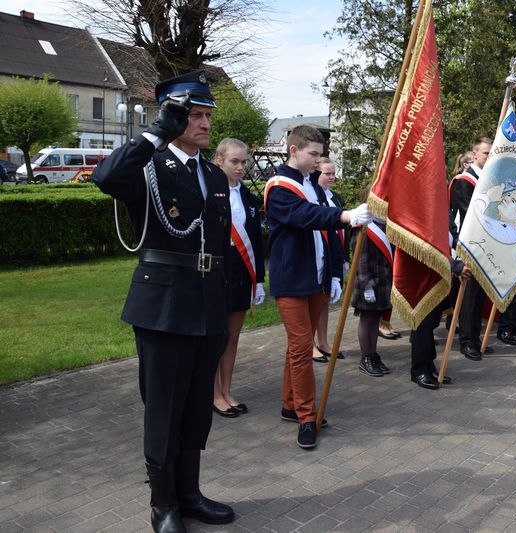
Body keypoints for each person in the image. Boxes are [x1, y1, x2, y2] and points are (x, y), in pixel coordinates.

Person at [92, 70, 235, 532]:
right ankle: (163, 504)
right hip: (164, 305)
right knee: (164, 406)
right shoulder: (148, 167)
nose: (205, 123)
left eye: (208, 115)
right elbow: (106, 177)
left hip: (209, 301)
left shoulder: (213, 173)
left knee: (196, 406)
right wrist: (154, 132)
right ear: (172, 117)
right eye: (194, 115)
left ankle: (190, 494)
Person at [265, 125, 372, 450]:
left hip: (316, 276)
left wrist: (335, 273)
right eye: (312, 154)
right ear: (293, 151)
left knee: (296, 347)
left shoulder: (312, 185)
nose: (317, 159)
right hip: (293, 279)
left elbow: (325, 231)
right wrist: (344, 215)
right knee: (301, 347)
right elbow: (304, 216)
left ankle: (289, 402)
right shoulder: (279, 186)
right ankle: (307, 416)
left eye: (320, 154)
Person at [211, 138, 265, 418]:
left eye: (244, 162)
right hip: (216, 270)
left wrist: (260, 279)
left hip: (242, 269)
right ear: (219, 160)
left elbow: (255, 239)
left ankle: (227, 391)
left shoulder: (247, 196)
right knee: (216, 337)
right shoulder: (207, 190)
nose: (241, 167)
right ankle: (213, 394)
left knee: (232, 337)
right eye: (235, 161)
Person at [450, 137, 494, 361]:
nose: (489, 157)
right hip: (469, 246)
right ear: (475, 154)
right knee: (468, 297)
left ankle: (475, 338)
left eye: (490, 153)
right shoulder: (465, 181)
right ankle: (466, 341)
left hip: (486, 245)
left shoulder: (489, 179)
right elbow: (471, 215)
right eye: (486, 153)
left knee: (479, 297)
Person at [312, 157, 347, 363]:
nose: (332, 177)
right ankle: (310, 345)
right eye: (327, 173)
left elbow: (343, 230)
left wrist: (344, 258)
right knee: (314, 301)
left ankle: (323, 341)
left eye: (334, 173)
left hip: (335, 254)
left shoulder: (336, 197)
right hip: (320, 253)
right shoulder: (313, 197)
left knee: (324, 300)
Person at [351, 217, 393, 377]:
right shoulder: (362, 225)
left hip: (382, 282)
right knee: (367, 319)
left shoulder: (384, 224)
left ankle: (373, 354)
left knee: (375, 319)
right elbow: (360, 258)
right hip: (368, 283)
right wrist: (367, 285)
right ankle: (366, 357)